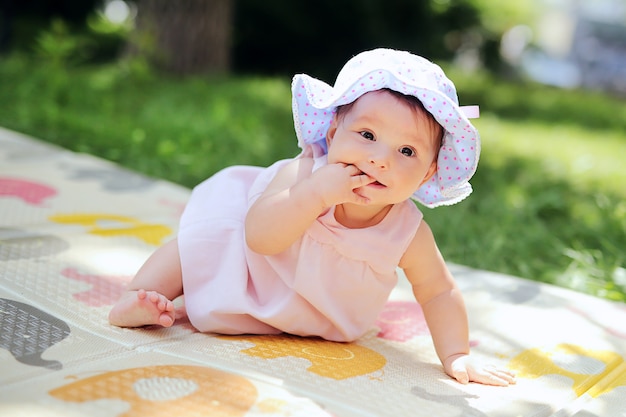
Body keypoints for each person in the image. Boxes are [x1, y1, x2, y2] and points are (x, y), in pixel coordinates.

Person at [109, 48, 516, 386]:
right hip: (251, 271)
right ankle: (138, 298)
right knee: (200, 245)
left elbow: (438, 291)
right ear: (335, 132)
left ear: (428, 172)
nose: (379, 159)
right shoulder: (303, 175)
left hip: (320, 322)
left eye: (406, 152)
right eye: (368, 136)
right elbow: (259, 238)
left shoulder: (407, 232)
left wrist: (457, 353)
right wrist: (316, 194)